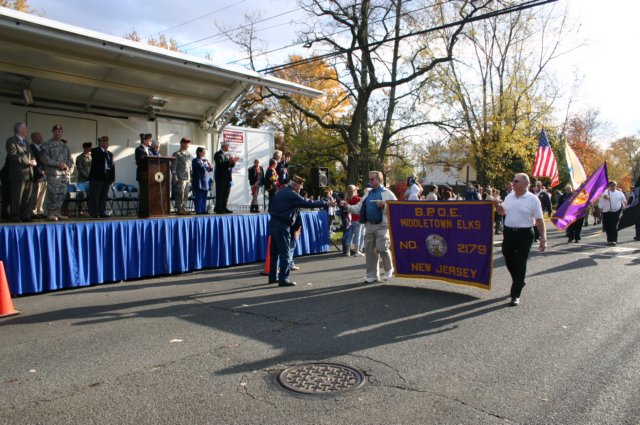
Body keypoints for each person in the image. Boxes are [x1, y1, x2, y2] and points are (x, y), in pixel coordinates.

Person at [268, 176, 333, 287]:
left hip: (273, 223)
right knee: (285, 253)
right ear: (295, 185)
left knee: (274, 253)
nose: (301, 188)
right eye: (300, 186)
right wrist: (325, 203)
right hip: (282, 225)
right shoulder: (292, 194)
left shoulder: (282, 192)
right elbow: (308, 203)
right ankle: (284, 279)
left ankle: (273, 277)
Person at [494, 173, 546, 306]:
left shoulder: (533, 199)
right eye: (513, 181)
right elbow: (502, 212)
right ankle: (519, 280)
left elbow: (539, 220)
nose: (513, 183)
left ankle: (515, 294)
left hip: (525, 234)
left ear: (525, 184)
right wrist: (496, 205)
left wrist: (543, 238)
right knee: (509, 259)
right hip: (509, 233)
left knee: (520, 262)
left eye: (516, 181)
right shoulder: (509, 197)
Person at [341, 171, 397, 283]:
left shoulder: (388, 193)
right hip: (369, 225)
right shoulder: (368, 193)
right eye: (369, 179)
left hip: (383, 225)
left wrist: (384, 205)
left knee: (382, 247)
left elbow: (396, 208)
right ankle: (372, 275)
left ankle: (389, 270)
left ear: (379, 180)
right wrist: (347, 207)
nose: (370, 181)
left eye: (372, 179)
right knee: (370, 251)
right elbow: (358, 208)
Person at [40, 124, 73, 221]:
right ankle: (50, 213)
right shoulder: (47, 144)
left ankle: (57, 212)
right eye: (56, 131)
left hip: (63, 175)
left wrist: (68, 166)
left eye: (59, 131)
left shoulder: (64, 146)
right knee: (53, 194)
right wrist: (57, 164)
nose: (58, 133)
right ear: (53, 132)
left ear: (62, 133)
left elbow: (70, 159)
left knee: (61, 194)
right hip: (53, 174)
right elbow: (44, 158)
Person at [5, 122, 36, 222]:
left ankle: (25, 215)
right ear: (19, 130)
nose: (26, 130)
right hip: (18, 174)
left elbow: (31, 154)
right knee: (17, 196)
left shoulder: (26, 142)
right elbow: (14, 156)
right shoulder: (12, 141)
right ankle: (15, 215)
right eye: (25, 128)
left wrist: (34, 160)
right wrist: (29, 162)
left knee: (27, 196)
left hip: (29, 174)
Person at [88, 136, 115, 218]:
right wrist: (104, 152)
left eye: (107, 142)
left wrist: (112, 177)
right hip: (97, 177)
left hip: (106, 176)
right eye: (105, 142)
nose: (107, 144)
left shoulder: (110, 153)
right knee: (96, 195)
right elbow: (98, 158)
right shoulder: (95, 151)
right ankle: (95, 212)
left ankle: (101, 211)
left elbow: (111, 165)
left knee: (103, 195)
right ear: (100, 143)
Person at [598, 181, 627, 246]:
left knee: (614, 226)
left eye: (614, 185)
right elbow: (603, 198)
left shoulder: (619, 193)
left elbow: (624, 201)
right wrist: (606, 197)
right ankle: (609, 239)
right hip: (607, 212)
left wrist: (625, 208)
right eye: (611, 185)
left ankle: (614, 240)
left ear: (615, 186)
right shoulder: (605, 192)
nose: (613, 187)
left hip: (616, 212)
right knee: (607, 226)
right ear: (609, 186)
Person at [213, 141, 238, 214]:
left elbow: (231, 166)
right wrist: (229, 162)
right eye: (228, 146)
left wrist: (233, 162)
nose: (229, 147)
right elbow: (220, 165)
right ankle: (218, 208)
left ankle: (224, 207)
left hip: (228, 177)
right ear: (224, 146)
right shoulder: (218, 154)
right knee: (220, 193)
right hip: (221, 177)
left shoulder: (228, 155)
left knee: (226, 193)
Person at [171, 137, 193, 215]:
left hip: (187, 177)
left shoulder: (188, 154)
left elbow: (189, 167)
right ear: (182, 144)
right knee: (180, 193)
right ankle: (179, 209)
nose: (188, 145)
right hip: (180, 177)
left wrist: (191, 176)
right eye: (186, 143)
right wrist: (174, 176)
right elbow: (173, 167)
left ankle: (184, 208)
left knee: (186, 194)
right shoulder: (177, 154)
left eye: (188, 143)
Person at [29, 132, 47, 218]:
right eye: (39, 136)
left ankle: (40, 211)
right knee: (35, 195)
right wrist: (40, 170)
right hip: (36, 175)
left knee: (42, 195)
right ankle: (33, 211)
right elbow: (32, 161)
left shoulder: (42, 148)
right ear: (34, 138)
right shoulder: (30, 148)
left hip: (44, 176)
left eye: (41, 136)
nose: (41, 138)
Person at [191, 147, 213, 214]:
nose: (204, 153)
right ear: (199, 152)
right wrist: (206, 165)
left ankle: (203, 209)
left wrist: (210, 167)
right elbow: (200, 167)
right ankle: (198, 210)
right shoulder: (195, 160)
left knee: (204, 196)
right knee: (199, 196)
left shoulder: (205, 160)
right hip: (199, 181)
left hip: (205, 181)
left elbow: (208, 169)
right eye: (203, 152)